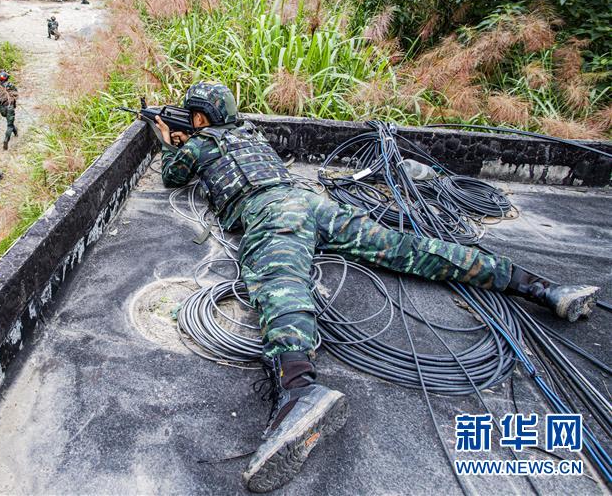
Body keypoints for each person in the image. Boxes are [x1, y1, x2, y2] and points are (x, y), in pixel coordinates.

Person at [154, 81, 599, 493]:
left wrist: (167, 139)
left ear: (198, 119)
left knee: (278, 279)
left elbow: (172, 176)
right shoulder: (249, 135)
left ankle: (298, 389)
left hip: (271, 210)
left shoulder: (199, 144)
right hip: (310, 200)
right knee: (407, 248)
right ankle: (541, 287)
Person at [0, 71, 18, 150]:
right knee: (9, 125)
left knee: (9, 121)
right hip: (9, 107)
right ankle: (6, 140)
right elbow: (16, 94)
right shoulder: (10, 85)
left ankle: (15, 132)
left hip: (1, 108)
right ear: (7, 78)